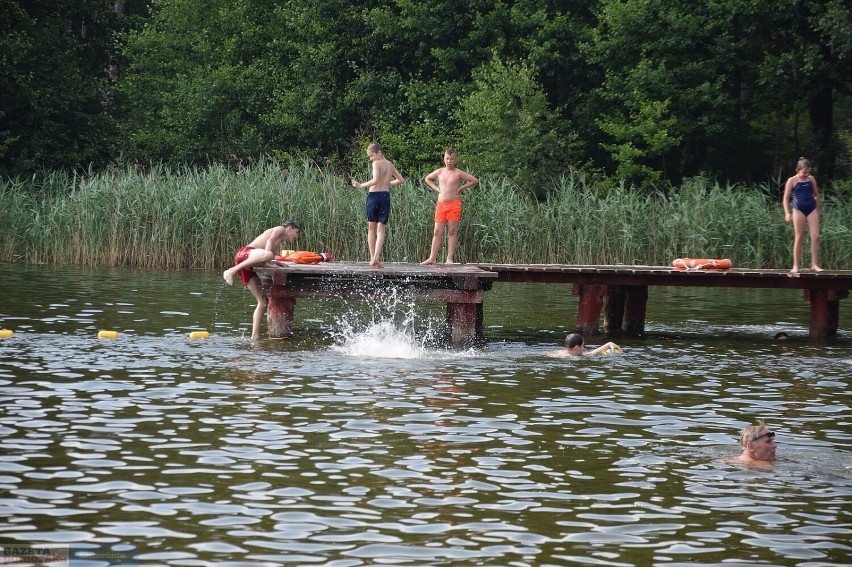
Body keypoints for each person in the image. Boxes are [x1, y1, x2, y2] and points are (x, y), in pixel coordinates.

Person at [223, 221, 301, 339]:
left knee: (263, 302)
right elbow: (269, 243)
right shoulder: (280, 229)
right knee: (269, 255)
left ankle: (255, 337)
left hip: (248, 265)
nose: (296, 237)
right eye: (296, 232)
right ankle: (231, 271)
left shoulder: (279, 242)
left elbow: (269, 256)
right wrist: (268, 258)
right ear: (289, 228)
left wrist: (276, 263)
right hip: (245, 254)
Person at [351, 143, 405, 268]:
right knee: (382, 229)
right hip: (385, 196)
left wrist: (360, 186)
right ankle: (376, 257)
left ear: (379, 152)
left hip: (374, 196)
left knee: (371, 228)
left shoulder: (376, 163)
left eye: (371, 155)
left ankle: (372, 258)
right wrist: (388, 183)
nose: (371, 159)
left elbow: (375, 180)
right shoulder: (390, 165)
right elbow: (401, 180)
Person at [420, 149, 479, 265]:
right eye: (447, 158)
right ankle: (432, 258)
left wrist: (462, 188)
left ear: (455, 160)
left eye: (451, 159)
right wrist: (436, 189)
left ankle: (449, 258)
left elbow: (474, 180)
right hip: (441, 204)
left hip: (454, 204)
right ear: (444, 159)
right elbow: (427, 179)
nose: (449, 161)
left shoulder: (458, 173)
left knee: (452, 231)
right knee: (437, 231)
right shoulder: (440, 171)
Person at [782, 157, 823, 274]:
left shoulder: (812, 179)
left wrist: (818, 211)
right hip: (798, 210)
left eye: (808, 172)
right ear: (798, 170)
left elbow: (816, 195)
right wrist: (787, 213)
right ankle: (795, 266)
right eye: (804, 172)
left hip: (812, 209)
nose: (806, 174)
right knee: (799, 237)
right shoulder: (792, 180)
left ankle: (814, 264)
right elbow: (785, 199)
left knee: (816, 236)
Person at [548, 333, 621, 357]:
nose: (583, 348)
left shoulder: (554, 353)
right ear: (577, 347)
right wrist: (609, 344)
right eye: (582, 346)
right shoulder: (571, 357)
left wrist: (609, 344)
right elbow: (593, 352)